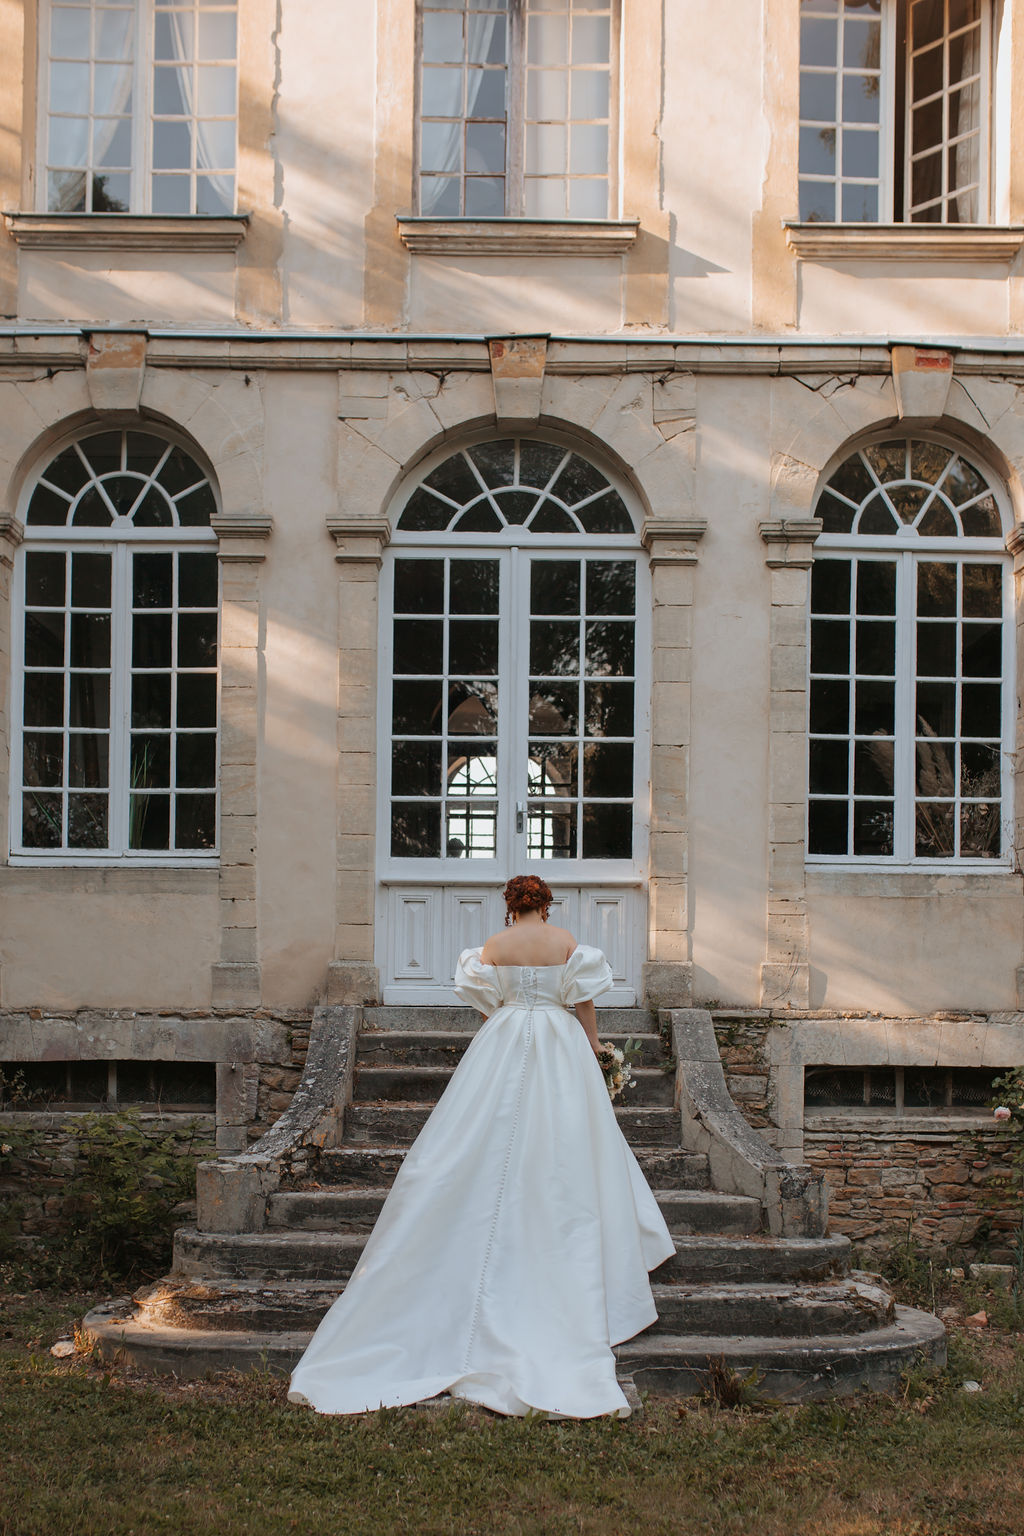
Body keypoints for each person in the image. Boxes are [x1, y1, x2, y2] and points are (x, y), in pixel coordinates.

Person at [287, 874, 675, 1419]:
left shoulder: (493, 947)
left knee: (481, 1132)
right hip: (559, 1041)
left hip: (507, 1035)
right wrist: (592, 1045)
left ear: (511, 906)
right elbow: (582, 1002)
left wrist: (514, 1018)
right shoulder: (566, 943)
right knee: (566, 1140)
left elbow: (488, 1005)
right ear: (546, 904)